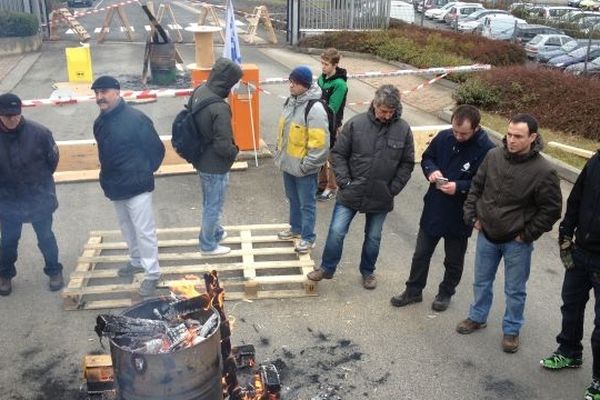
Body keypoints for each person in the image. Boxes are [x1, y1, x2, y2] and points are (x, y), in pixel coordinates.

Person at [456, 113, 562, 353]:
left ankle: (511, 330)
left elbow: (551, 209)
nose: (511, 140)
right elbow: (476, 186)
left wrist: (526, 235)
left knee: (515, 290)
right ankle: (477, 316)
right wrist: (472, 216)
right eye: (509, 134)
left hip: (517, 242)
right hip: (487, 235)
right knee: (481, 281)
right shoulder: (493, 156)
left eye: (518, 136)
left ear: (533, 137)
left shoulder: (544, 171)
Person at [307, 84, 415, 290]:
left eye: (391, 112)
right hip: (351, 191)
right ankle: (327, 268)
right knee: (337, 231)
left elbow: (407, 163)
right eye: (383, 111)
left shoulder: (403, 129)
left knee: (373, 237)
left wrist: (393, 188)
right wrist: (344, 181)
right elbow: (337, 154)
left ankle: (368, 272)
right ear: (375, 104)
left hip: (381, 195)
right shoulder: (356, 124)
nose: (386, 115)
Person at [390, 105, 495, 311]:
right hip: (435, 206)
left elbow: (487, 184)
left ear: (476, 128)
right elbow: (428, 157)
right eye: (455, 130)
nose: (458, 136)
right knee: (421, 253)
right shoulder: (444, 137)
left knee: (453, 259)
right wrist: (432, 171)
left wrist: (459, 187)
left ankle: (445, 293)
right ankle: (413, 291)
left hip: (461, 211)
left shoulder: (487, 150)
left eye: (463, 133)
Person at [92, 76, 165, 297]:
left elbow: (157, 150)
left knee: (144, 230)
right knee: (126, 227)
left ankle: (152, 273)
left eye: (104, 92)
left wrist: (143, 171)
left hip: (137, 185)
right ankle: (135, 260)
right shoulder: (100, 122)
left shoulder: (136, 119)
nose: (99, 97)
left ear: (117, 92)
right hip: (115, 185)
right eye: (96, 93)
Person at [539, 150, 600, 400]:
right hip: (581, 252)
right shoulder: (596, 160)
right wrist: (566, 232)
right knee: (571, 306)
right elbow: (577, 198)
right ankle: (569, 351)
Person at [0, 93, 64, 296]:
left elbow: (52, 160)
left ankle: (54, 271)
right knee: (9, 240)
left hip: (38, 196)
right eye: (7, 115)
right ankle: (5, 275)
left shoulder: (40, 133)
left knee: (45, 236)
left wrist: (39, 182)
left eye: (15, 115)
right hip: (7, 200)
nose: (12, 119)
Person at [190, 57, 242, 256]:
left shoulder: (200, 90)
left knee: (209, 201)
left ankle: (216, 232)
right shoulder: (220, 107)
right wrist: (234, 152)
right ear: (227, 81)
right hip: (215, 165)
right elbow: (223, 145)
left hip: (201, 158)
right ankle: (208, 245)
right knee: (214, 205)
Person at [275, 65, 330, 254]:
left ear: (305, 86)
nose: (290, 85)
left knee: (307, 204)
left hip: (304, 169)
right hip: (288, 165)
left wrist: (307, 166)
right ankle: (295, 229)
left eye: (295, 83)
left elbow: (320, 144)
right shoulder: (291, 102)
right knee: (293, 199)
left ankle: (308, 238)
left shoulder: (314, 109)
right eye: (290, 81)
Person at [316, 48, 348, 202]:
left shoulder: (340, 84)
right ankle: (322, 183)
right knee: (320, 155)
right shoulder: (321, 79)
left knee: (332, 157)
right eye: (322, 63)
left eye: (326, 64)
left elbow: (332, 108)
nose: (323, 67)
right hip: (319, 123)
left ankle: (332, 186)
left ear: (335, 65)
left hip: (333, 125)